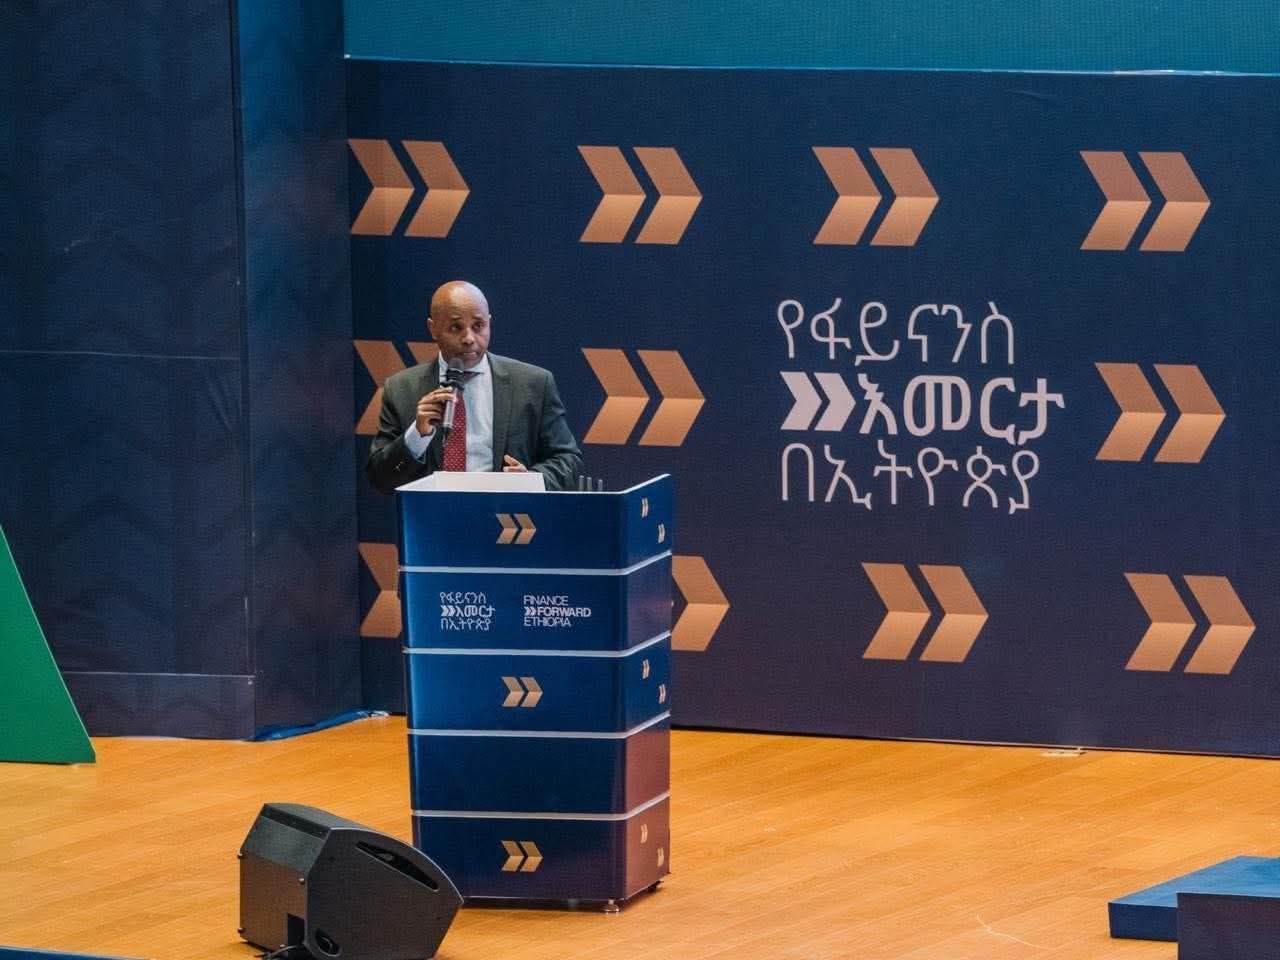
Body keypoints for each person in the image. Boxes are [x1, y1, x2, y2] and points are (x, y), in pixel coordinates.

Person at [366, 280, 582, 493]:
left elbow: (568, 461)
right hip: (433, 513)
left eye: (478, 326)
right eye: (456, 327)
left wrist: (530, 481)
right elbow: (380, 479)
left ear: (489, 323)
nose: (469, 338)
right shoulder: (401, 389)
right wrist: (417, 436)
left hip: (506, 512)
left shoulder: (533, 384)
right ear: (433, 329)